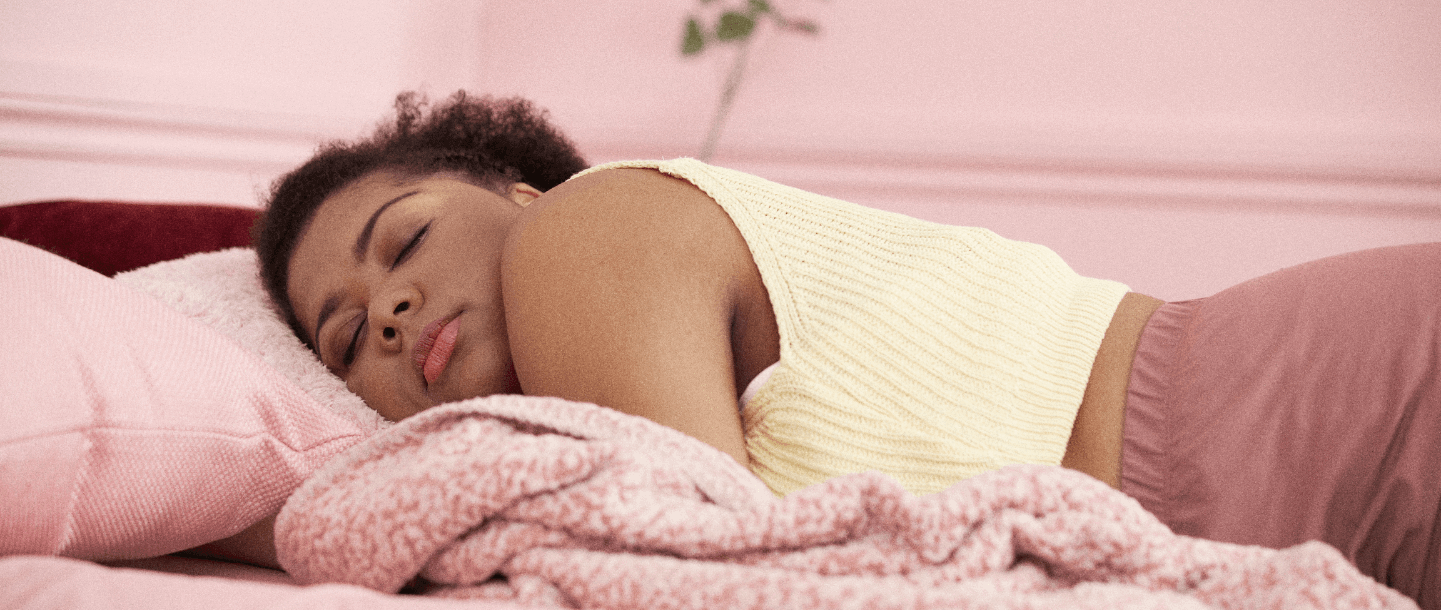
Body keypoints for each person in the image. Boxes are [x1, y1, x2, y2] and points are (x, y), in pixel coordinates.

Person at [251, 91, 1438, 604]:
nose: (392, 314)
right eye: (350, 336)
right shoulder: (548, 429)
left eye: (401, 241)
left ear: (514, 188)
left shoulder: (581, 226)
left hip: (1325, 411)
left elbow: (698, 572)